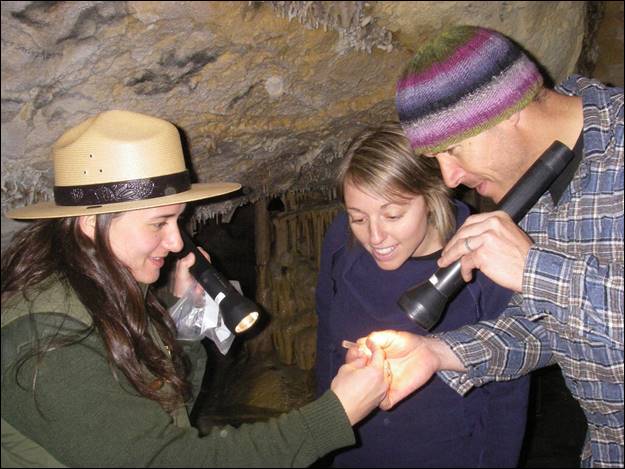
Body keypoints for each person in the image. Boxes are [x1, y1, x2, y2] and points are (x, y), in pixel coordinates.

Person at [0, 109, 391, 468]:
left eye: (177, 221)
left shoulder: (104, 298)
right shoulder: (45, 342)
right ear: (91, 224)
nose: (175, 242)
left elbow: (166, 410)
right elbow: (171, 460)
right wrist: (334, 415)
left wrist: (183, 322)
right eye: (159, 223)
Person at [352, 25, 624, 467]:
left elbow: (550, 286)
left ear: (509, 110)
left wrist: (532, 269)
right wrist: (437, 352)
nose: (449, 179)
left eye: (454, 149)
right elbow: (549, 327)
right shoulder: (529, 184)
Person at [315, 121, 529, 467]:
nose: (375, 236)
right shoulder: (342, 239)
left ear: (430, 198)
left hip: (444, 453)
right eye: (358, 218)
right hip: (354, 450)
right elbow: (326, 335)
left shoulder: (486, 260)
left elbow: (508, 392)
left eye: (393, 214)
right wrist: (323, 433)